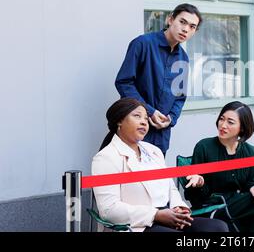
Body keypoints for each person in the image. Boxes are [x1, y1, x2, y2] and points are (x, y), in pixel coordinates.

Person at [91, 97, 228, 232]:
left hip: (167, 217)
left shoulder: (154, 151)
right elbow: (109, 210)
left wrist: (179, 208)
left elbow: (171, 188)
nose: (144, 122)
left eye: (146, 118)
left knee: (218, 227)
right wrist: (155, 215)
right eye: (137, 116)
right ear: (119, 121)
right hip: (138, 225)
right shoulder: (105, 158)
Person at [184, 101, 254, 232]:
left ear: (242, 128)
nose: (223, 125)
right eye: (221, 119)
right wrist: (199, 184)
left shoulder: (250, 152)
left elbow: (251, 183)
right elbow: (193, 197)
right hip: (212, 205)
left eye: (230, 122)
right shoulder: (204, 147)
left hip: (239, 204)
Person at [115, 3, 202, 156]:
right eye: (182, 22)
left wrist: (170, 118)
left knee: (156, 179)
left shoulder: (183, 59)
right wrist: (149, 111)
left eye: (192, 26)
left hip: (161, 135)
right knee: (131, 178)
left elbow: (180, 97)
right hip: (134, 129)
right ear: (170, 20)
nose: (186, 29)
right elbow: (124, 82)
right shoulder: (142, 44)